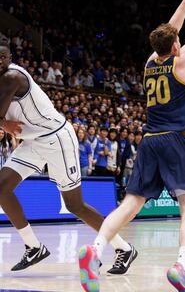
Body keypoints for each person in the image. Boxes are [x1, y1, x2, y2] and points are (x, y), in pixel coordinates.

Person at [78, 0, 185, 292]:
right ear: (175, 46)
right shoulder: (182, 61)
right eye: (177, 40)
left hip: (149, 140)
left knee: (130, 203)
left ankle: (95, 250)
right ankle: (182, 266)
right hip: (175, 139)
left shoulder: (149, 62)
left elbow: (171, 29)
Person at [0, 40, 134, 273]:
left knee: (75, 205)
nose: (0, 62)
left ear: (10, 57)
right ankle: (34, 247)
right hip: (33, 140)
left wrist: (3, 123)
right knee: (1, 187)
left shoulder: (12, 77)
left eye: (3, 57)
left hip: (56, 138)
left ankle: (123, 248)